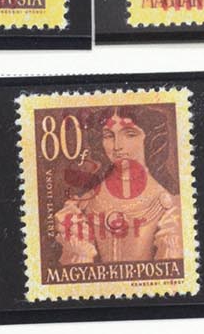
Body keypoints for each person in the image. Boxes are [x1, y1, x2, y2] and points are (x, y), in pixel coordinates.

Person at [49, 109, 183, 270]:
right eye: (108, 136)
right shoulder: (84, 202)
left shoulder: (170, 205)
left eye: (130, 134)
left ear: (150, 138)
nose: (117, 146)